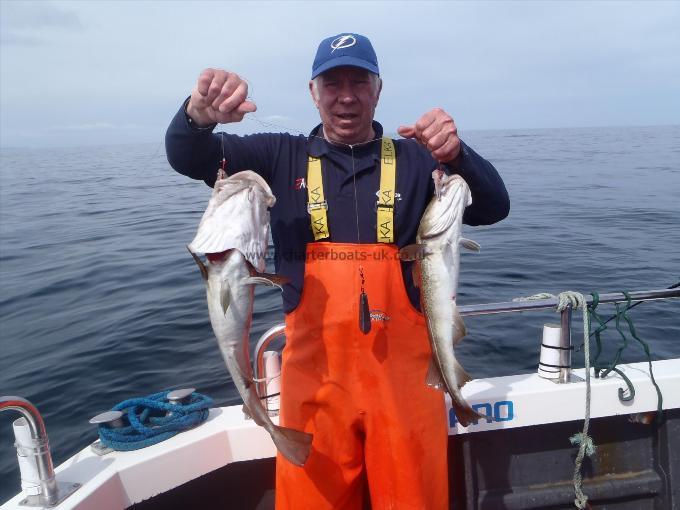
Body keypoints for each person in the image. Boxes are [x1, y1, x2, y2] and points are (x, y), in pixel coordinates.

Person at [166, 33, 509, 510]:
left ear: (378, 89)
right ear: (313, 92)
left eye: (358, 81)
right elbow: (188, 156)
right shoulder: (276, 156)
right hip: (315, 386)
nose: (345, 95)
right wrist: (196, 116)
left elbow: (493, 207)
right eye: (332, 83)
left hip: (408, 385)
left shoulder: (416, 159)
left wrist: (456, 154)